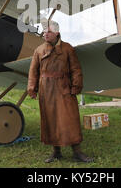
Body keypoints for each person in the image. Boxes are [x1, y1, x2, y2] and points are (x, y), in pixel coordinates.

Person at [27, 19, 93, 163]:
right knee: (50, 120)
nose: (45, 34)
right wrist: (32, 88)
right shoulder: (38, 51)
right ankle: (56, 152)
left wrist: (76, 86)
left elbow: (76, 69)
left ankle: (77, 152)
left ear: (57, 32)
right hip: (46, 90)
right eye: (44, 31)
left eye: (49, 31)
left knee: (70, 119)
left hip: (64, 88)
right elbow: (33, 72)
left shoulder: (68, 48)